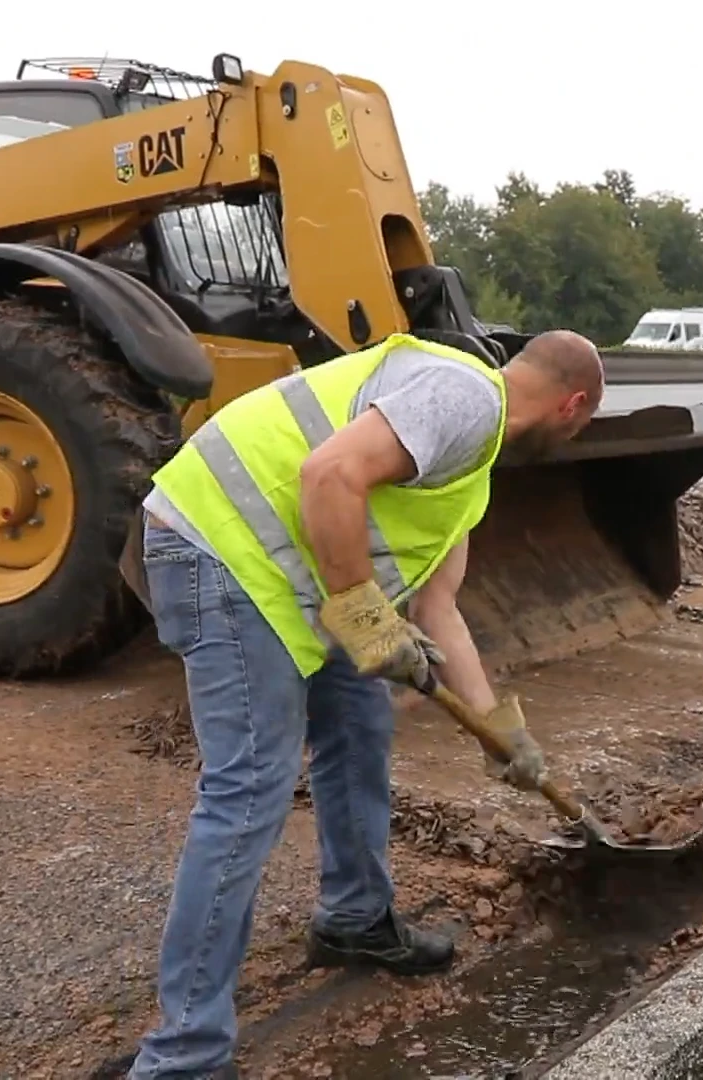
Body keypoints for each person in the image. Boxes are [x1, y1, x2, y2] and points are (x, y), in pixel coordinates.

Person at [122, 328, 604, 1079]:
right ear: (574, 407)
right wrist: (360, 609)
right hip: (219, 551)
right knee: (248, 792)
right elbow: (329, 474)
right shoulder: (466, 397)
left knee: (359, 714)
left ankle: (353, 917)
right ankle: (183, 1054)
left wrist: (500, 732)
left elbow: (440, 606)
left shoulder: (469, 477)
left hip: (292, 582)